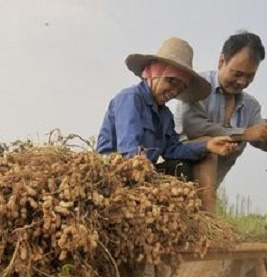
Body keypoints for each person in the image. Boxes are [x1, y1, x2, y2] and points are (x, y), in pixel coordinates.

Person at [96, 37, 238, 182]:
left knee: (181, 168)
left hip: (144, 173)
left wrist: (207, 146)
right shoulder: (130, 99)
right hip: (114, 173)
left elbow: (172, 150)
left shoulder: (165, 116)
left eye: (181, 87)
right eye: (172, 81)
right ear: (154, 74)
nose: (174, 91)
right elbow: (130, 152)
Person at [175, 31, 267, 188]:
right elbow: (193, 127)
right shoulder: (197, 86)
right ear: (222, 61)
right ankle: (209, 213)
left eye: (250, 76)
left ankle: (206, 209)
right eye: (237, 74)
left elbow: (261, 138)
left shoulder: (251, 106)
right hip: (176, 175)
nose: (242, 81)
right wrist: (244, 134)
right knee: (207, 145)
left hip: (209, 187)